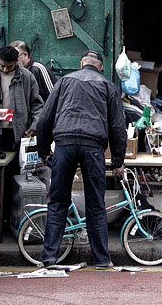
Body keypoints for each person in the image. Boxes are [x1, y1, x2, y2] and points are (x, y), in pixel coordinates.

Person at [36, 49, 126, 269]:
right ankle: (102, 259)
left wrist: (43, 150)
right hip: (93, 147)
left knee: (57, 202)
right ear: (100, 67)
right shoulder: (107, 85)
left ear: (81, 62)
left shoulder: (64, 81)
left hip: (64, 145)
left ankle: (49, 257)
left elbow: (44, 118)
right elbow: (118, 127)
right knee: (96, 203)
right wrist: (118, 161)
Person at [0, 46, 43, 231]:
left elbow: (37, 106)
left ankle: (11, 221)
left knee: (14, 180)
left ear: (17, 62)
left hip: (17, 135)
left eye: (9, 67)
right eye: (2, 66)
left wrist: (34, 126)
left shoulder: (27, 77)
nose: (5, 70)